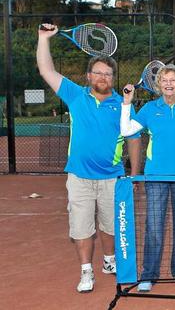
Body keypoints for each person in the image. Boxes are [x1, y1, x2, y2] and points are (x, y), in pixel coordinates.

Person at [36, 23, 141, 293]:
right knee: (82, 229)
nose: (103, 77)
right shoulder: (75, 95)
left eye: (108, 73)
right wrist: (43, 39)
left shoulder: (122, 104)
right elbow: (47, 70)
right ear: (88, 76)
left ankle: (109, 262)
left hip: (112, 177)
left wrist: (135, 174)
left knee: (109, 226)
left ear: (113, 78)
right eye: (98, 72)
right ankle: (86, 272)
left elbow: (133, 139)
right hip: (79, 177)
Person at [120, 64, 175, 292]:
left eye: (173, 80)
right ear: (159, 85)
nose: (169, 84)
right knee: (154, 227)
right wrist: (126, 104)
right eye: (164, 80)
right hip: (155, 176)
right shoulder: (149, 109)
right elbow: (127, 131)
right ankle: (149, 274)